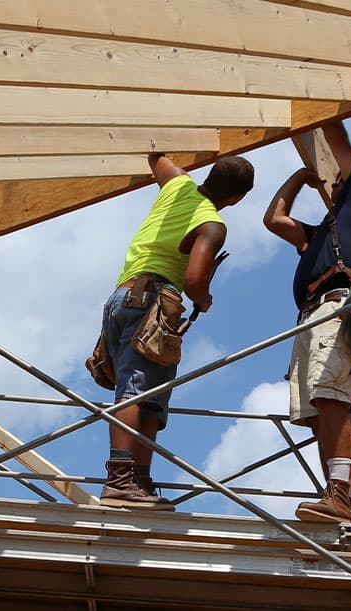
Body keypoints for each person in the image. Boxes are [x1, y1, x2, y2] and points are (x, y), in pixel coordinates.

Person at [94, 152, 253, 510]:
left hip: (122, 297)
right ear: (237, 198)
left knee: (148, 395)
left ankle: (139, 483)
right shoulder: (212, 223)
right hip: (154, 301)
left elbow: (157, 156)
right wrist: (205, 298)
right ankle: (121, 482)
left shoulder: (178, 185)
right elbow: (195, 279)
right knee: (138, 391)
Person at [262, 124, 351, 524]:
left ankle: (341, 495)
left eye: (338, 182)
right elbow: (274, 219)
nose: (333, 184)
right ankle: (334, 494)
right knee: (317, 407)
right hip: (312, 315)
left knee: (331, 395)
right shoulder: (320, 234)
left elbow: (339, 141)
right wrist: (299, 177)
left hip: (336, 304)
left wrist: (327, 110)